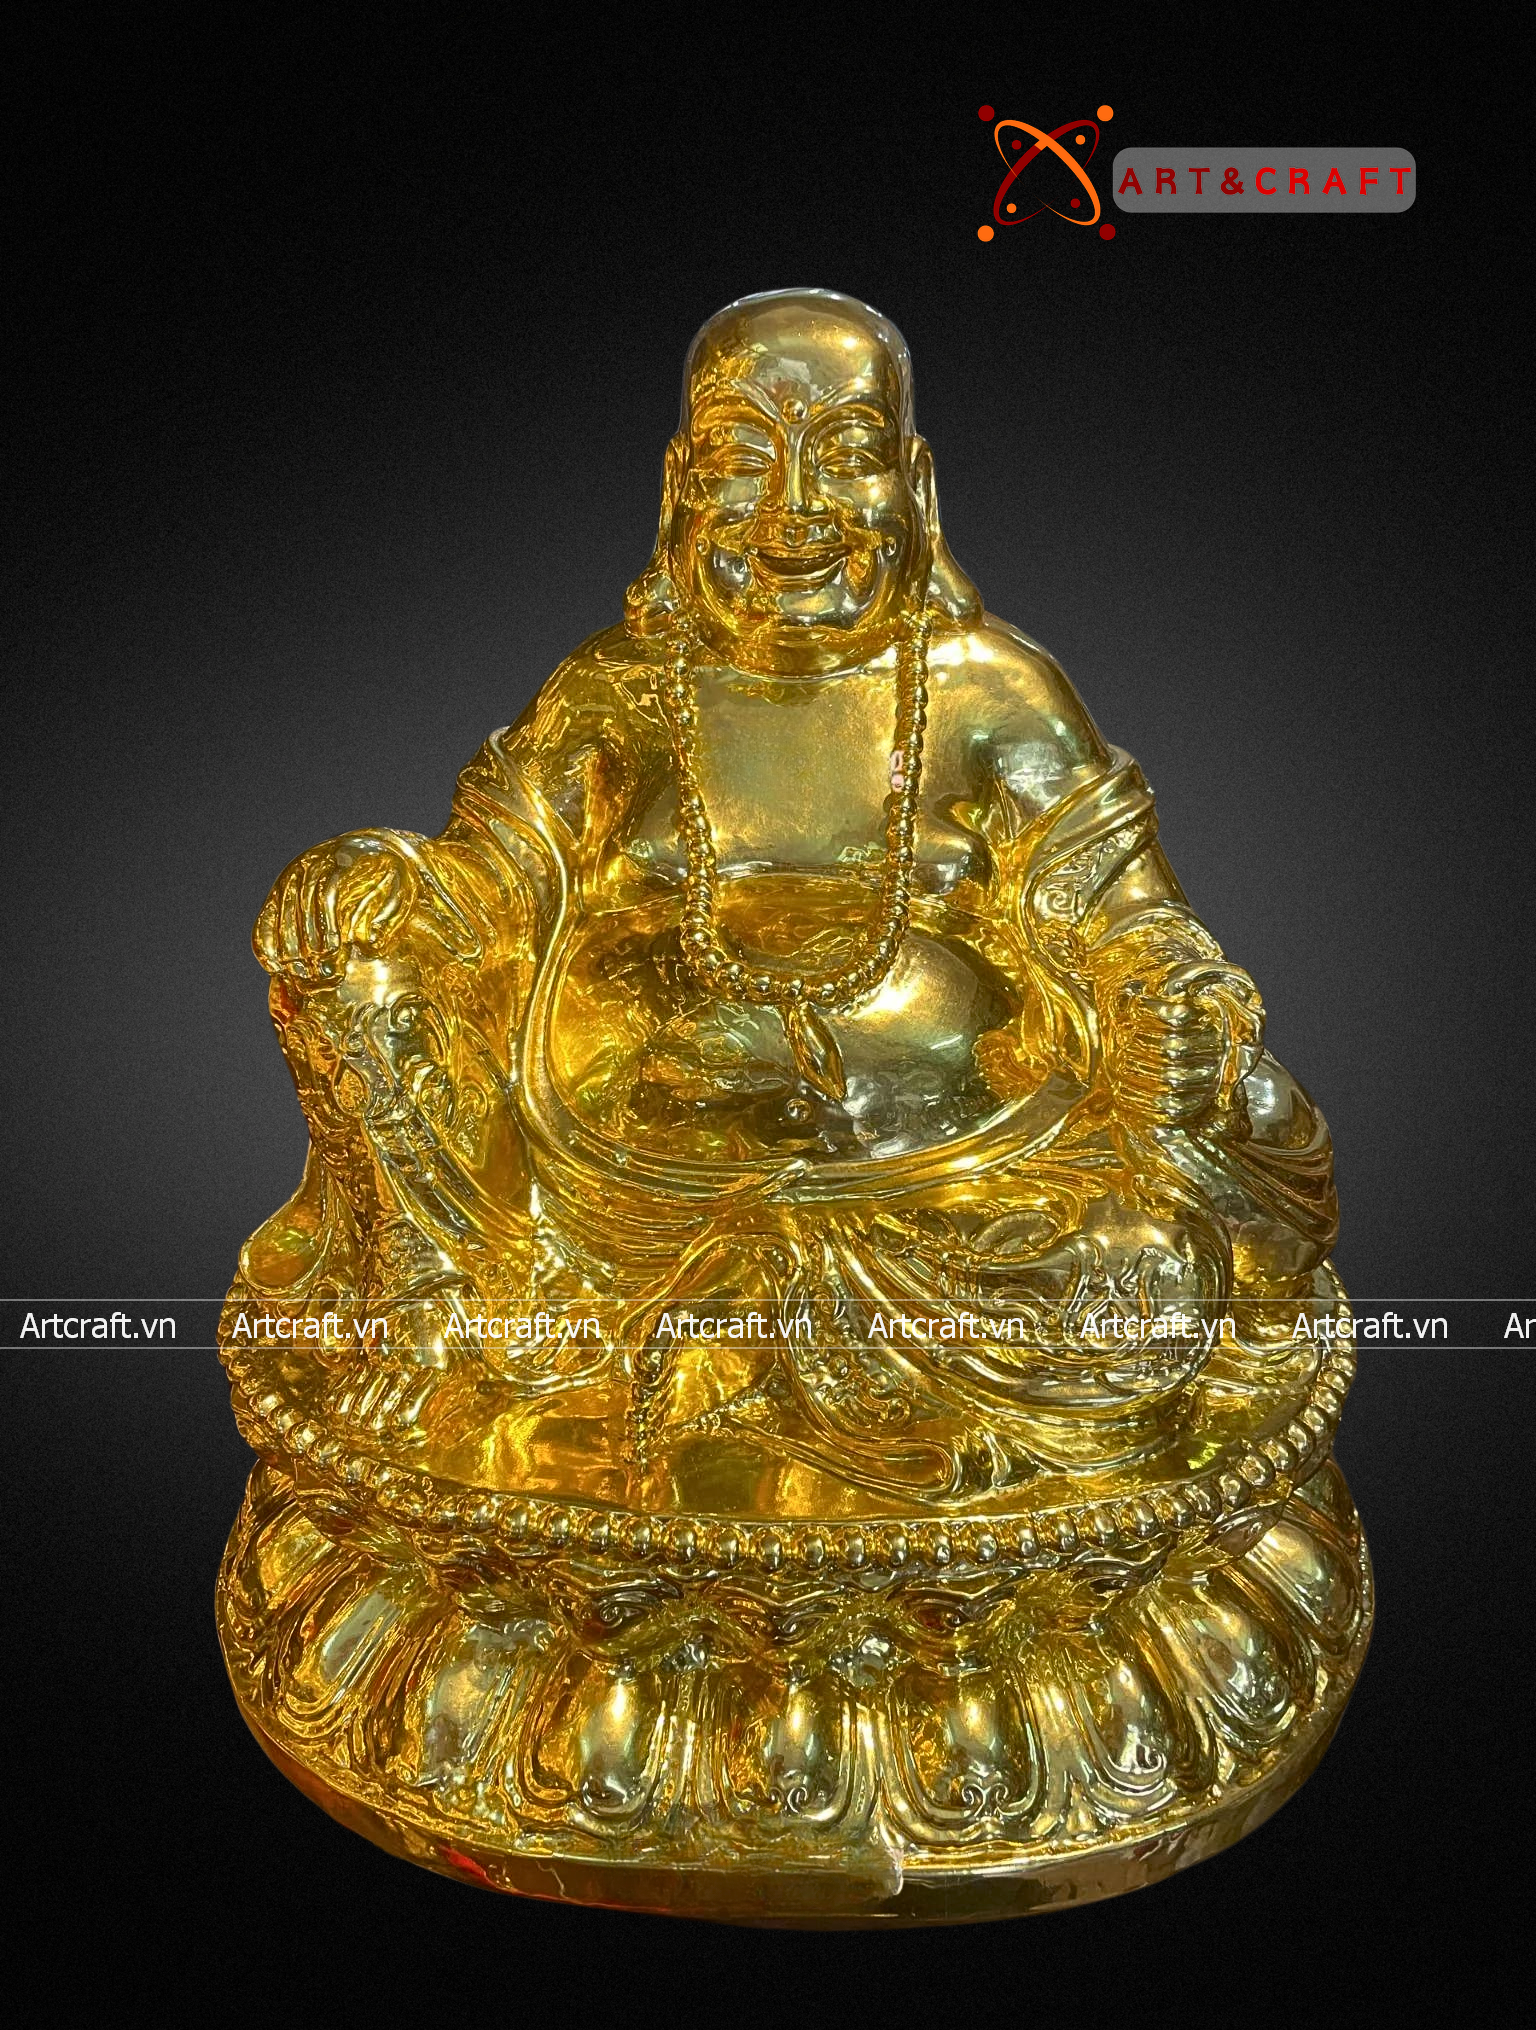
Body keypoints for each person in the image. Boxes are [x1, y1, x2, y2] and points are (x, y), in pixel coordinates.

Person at [231, 289, 1337, 1512]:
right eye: (743, 459)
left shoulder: (993, 692)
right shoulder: (619, 693)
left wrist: (1169, 1000)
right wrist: (388, 883)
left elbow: (1123, 914)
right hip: (610, 1207)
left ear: (918, 489)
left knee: (1163, 1252)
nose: (793, 511)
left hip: (955, 1199)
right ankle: (454, 1303)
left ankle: (712, 1379)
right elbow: (489, 881)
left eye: (846, 454)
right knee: (365, 970)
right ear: (677, 490)